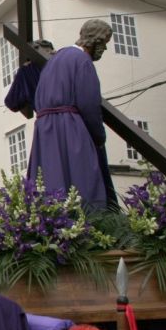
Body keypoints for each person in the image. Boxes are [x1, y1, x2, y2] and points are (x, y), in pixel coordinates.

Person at [28, 19, 117, 209]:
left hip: (45, 130)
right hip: (69, 129)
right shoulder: (82, 61)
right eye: (105, 44)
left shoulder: (54, 60)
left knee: (51, 183)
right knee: (81, 183)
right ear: (96, 41)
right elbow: (88, 103)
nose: (105, 50)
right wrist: (99, 136)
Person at [4, 39, 55, 118]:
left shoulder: (27, 70)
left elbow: (11, 102)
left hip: (46, 121)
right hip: (72, 119)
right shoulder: (64, 63)